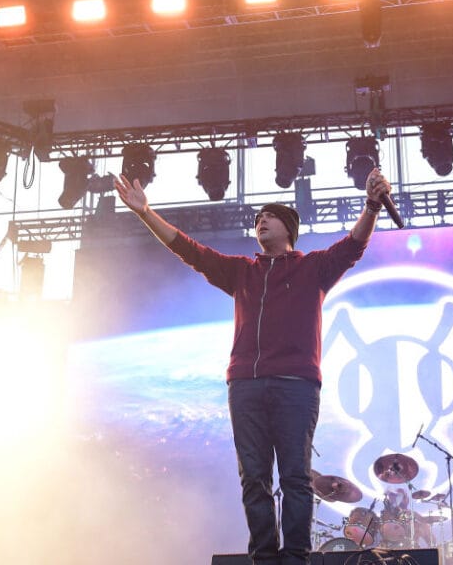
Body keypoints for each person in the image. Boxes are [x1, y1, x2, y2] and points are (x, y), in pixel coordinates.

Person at [114, 167, 391, 565]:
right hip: (245, 385)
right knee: (254, 479)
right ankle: (264, 556)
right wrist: (145, 213)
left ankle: (295, 556)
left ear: (288, 227)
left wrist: (371, 207)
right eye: (258, 218)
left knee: (295, 476)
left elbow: (353, 246)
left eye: (269, 216)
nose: (260, 221)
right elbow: (190, 250)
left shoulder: (313, 267)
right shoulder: (242, 272)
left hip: (296, 384)